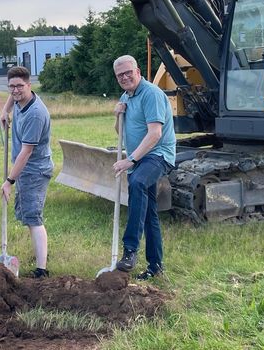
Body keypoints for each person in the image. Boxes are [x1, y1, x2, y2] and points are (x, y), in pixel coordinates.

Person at [110, 55, 176, 280]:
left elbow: (155, 134)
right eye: (120, 75)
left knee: (137, 182)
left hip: (158, 155)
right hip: (142, 157)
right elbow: (121, 133)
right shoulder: (126, 96)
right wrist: (118, 116)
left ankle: (130, 250)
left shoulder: (151, 94)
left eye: (128, 72)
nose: (125, 77)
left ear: (138, 71)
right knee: (149, 215)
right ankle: (155, 266)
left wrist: (131, 160)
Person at [0, 66, 54, 278]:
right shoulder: (19, 99)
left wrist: (9, 181)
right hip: (25, 169)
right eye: (11, 86)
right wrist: (5, 111)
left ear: (29, 85)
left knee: (33, 217)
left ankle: (42, 270)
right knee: (27, 215)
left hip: (34, 170)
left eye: (20, 86)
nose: (15, 91)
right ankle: (39, 259)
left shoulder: (36, 114)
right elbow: (13, 98)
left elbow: (26, 152)